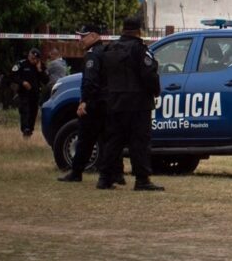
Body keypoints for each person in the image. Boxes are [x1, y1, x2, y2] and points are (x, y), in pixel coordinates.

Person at [96, 17, 164, 191]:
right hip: (138, 104)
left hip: (115, 102)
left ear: (123, 29)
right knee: (139, 142)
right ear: (138, 31)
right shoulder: (140, 50)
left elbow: (102, 76)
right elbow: (149, 75)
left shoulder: (110, 49)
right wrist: (156, 90)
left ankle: (105, 178)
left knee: (113, 141)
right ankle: (142, 179)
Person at [58, 24, 125, 185]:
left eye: (84, 36)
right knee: (110, 140)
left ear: (94, 36)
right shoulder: (106, 52)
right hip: (109, 102)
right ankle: (117, 174)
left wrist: (84, 101)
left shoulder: (92, 55)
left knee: (85, 139)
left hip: (95, 103)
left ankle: (76, 172)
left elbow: (90, 81)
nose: (80, 39)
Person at [10, 48, 49, 138]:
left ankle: (29, 130)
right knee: (25, 111)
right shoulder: (22, 64)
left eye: (35, 59)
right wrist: (22, 82)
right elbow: (13, 76)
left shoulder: (41, 66)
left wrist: (39, 70)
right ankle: (25, 129)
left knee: (33, 113)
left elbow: (46, 80)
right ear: (29, 56)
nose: (33, 60)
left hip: (35, 94)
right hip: (24, 93)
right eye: (32, 58)